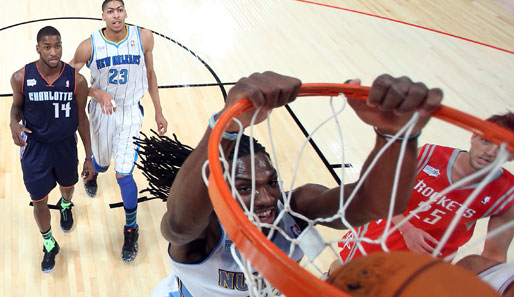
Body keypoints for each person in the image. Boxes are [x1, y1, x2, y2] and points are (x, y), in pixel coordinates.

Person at [150, 71, 443, 296]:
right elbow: (177, 226)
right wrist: (224, 127)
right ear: (220, 192)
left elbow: (377, 204)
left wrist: (396, 137)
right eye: (244, 187)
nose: (265, 197)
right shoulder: (207, 231)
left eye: (271, 181)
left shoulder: (295, 209)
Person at [338, 112, 514, 262]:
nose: (490, 152)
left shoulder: (507, 194)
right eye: (486, 141)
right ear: (474, 136)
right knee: (339, 276)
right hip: (382, 234)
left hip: (429, 258)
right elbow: (377, 192)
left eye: (503, 149)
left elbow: (494, 254)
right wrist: (407, 229)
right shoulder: (428, 155)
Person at [69, 0, 168, 263]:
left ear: (126, 12)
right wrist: (94, 92)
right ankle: (93, 176)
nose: (116, 15)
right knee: (101, 165)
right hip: (101, 112)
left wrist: (158, 110)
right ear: (102, 16)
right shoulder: (88, 45)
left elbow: (150, 73)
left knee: (124, 174)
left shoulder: (143, 37)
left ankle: (131, 228)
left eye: (119, 10)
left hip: (130, 113)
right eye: (110, 11)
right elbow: (69, 79)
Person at [9, 26, 93, 273]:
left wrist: (89, 156)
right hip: (35, 149)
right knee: (39, 201)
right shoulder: (20, 77)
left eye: (58, 46)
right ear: (38, 49)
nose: (54, 52)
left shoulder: (76, 80)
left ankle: (66, 206)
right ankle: (48, 243)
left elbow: (82, 118)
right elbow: (16, 108)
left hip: (65, 146)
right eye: (47, 47)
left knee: (68, 187)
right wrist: (13, 123)